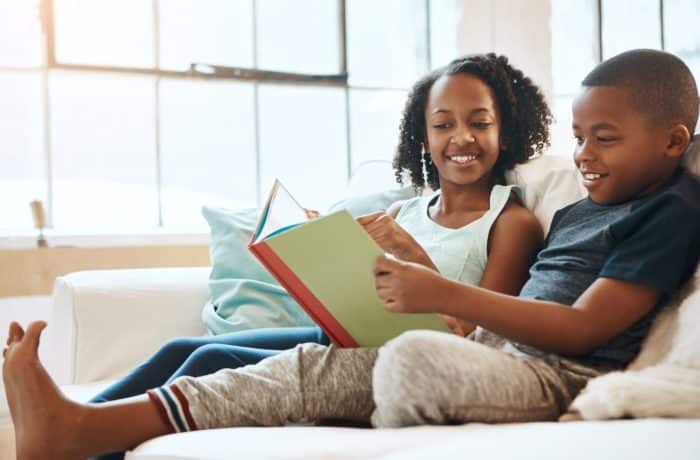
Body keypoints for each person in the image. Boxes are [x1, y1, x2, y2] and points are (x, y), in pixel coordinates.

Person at [6, 49, 700, 460]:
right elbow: (512, 312)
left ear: (674, 141)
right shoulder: (579, 210)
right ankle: (83, 427)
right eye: (578, 137)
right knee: (306, 368)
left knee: (405, 360)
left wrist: (446, 298)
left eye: (603, 138)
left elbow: (584, 329)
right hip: (495, 349)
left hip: (557, 377)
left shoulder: (668, 213)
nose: (582, 155)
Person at [87, 51, 548, 412]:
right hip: (347, 338)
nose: (461, 138)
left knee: (208, 363)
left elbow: (482, 334)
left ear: (504, 133)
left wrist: (407, 251)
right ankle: (66, 430)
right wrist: (322, 247)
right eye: (443, 125)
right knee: (183, 348)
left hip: (407, 361)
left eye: (479, 123)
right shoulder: (406, 210)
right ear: (424, 139)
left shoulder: (511, 222)